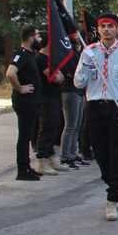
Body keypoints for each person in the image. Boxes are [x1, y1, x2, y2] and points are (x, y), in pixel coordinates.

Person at [73, 13, 118, 221]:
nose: (106, 29)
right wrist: (85, 64)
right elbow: (78, 83)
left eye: (110, 26)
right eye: (103, 26)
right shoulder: (89, 52)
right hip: (95, 106)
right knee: (100, 152)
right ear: (98, 29)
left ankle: (112, 198)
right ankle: (111, 182)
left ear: (117, 28)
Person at [7, 26, 43, 181]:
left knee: (27, 136)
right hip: (24, 102)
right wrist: (20, 88)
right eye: (37, 36)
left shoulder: (30, 55)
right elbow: (10, 73)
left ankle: (27, 167)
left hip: (32, 102)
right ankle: (22, 170)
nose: (40, 39)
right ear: (30, 38)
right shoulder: (21, 54)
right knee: (24, 136)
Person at [34, 35, 69, 176]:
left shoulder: (50, 59)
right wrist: (59, 77)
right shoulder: (41, 59)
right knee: (47, 127)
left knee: (55, 125)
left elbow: (61, 77)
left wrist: (60, 77)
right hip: (45, 98)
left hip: (54, 96)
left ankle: (51, 156)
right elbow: (56, 77)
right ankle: (42, 160)